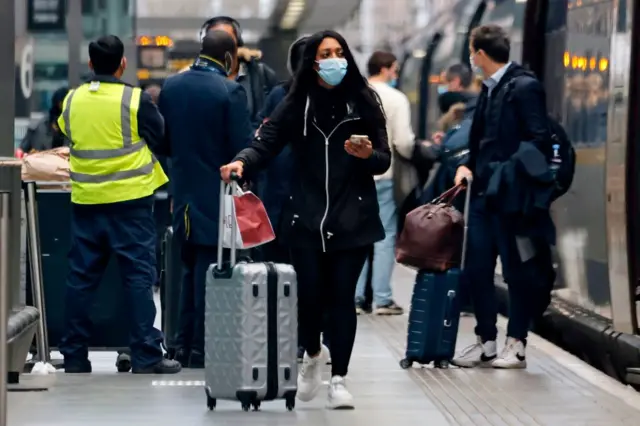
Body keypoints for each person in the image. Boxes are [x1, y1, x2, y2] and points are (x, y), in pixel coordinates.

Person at [220, 30, 390, 409]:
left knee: (342, 298)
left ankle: (340, 377)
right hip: (306, 215)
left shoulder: (364, 101)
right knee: (309, 298)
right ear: (313, 62)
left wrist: (368, 155)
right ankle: (313, 352)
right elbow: (267, 142)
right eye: (326, 53)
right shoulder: (296, 103)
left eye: (339, 52)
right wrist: (242, 161)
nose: (334, 60)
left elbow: (384, 158)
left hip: (353, 217)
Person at [56, 35, 180, 374]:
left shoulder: (72, 99)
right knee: (138, 279)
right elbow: (160, 137)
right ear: (123, 63)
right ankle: (145, 356)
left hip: (86, 202)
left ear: (91, 65)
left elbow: (66, 131)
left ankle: (74, 357)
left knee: (81, 281)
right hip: (131, 203)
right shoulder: (134, 99)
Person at [452, 25, 555, 369]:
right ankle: (486, 341)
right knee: (476, 269)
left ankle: (517, 343)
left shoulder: (525, 87)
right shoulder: (489, 89)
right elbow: (480, 140)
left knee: (516, 272)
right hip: (482, 194)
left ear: (479, 53)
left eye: (471, 52)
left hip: (512, 197)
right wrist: (467, 165)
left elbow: (539, 138)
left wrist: (505, 170)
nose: (471, 59)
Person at [158, 30, 253, 368]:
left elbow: (164, 143)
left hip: (182, 197)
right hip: (218, 198)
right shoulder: (230, 91)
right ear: (229, 58)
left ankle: (182, 345)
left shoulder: (171, 87)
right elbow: (243, 149)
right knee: (210, 272)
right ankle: (200, 348)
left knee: (188, 271)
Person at [354, 51, 414, 316]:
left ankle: (354, 298)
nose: (396, 74)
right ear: (387, 69)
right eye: (395, 69)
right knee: (384, 235)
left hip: (353, 176)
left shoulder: (353, 93)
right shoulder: (395, 99)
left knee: (355, 236)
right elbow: (403, 142)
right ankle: (382, 298)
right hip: (382, 175)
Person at [201, 16, 277, 128]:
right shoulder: (197, 78)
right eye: (215, 39)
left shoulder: (261, 74)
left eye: (227, 39)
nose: (221, 45)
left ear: (238, 43)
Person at [18, 86, 70, 157]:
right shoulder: (38, 127)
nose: (64, 107)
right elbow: (21, 150)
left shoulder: (74, 128)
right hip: (42, 165)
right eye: (62, 103)